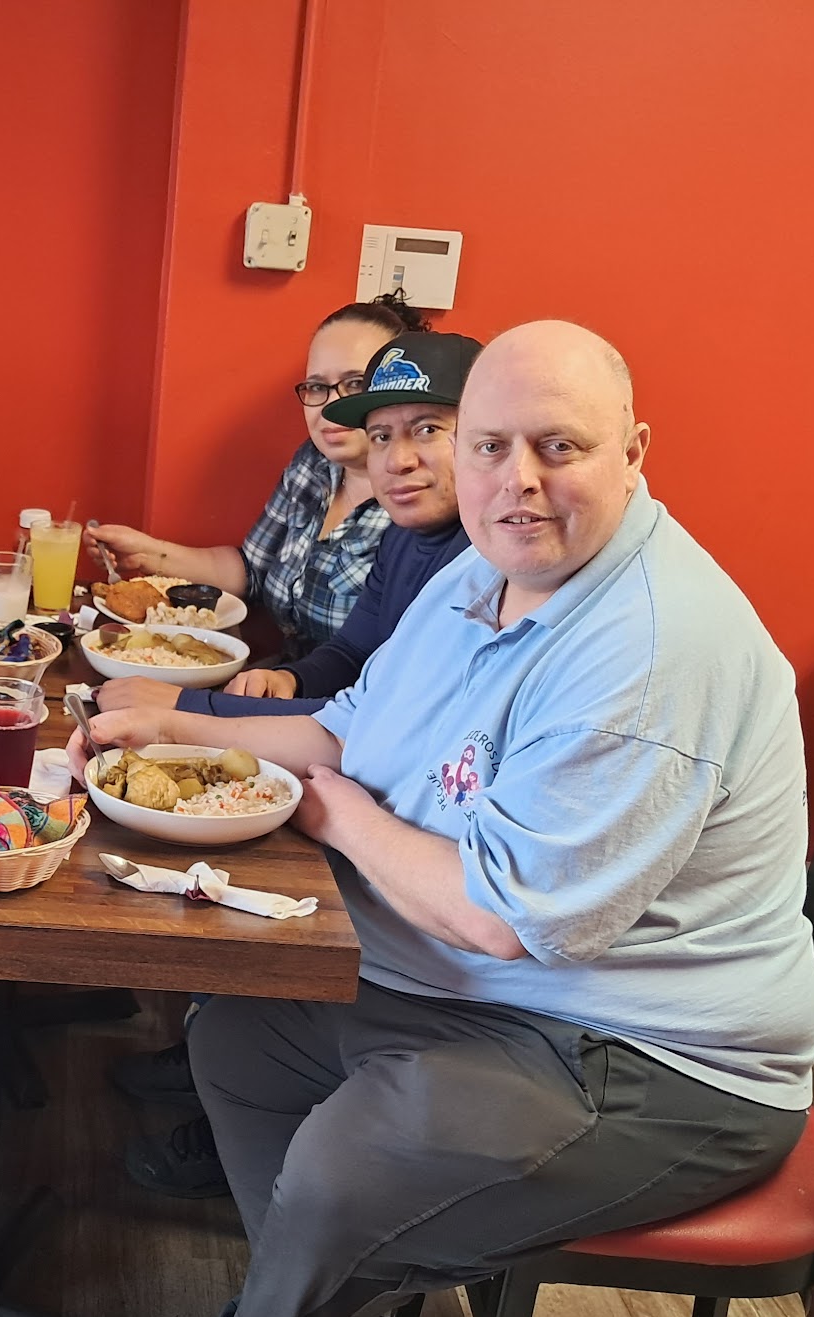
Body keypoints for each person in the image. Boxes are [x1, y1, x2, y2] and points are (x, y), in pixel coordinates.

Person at [78, 321, 814, 1317]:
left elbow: (498, 915)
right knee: (236, 1035)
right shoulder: (480, 571)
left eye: (556, 446)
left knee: (345, 1158)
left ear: (633, 452)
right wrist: (177, 723)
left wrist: (328, 812)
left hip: (655, 1058)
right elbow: (346, 731)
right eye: (489, 446)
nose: (513, 480)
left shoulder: (646, 648)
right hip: (497, 994)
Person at [103, 331, 481, 1202]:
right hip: (349, 755)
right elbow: (349, 662)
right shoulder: (408, 540)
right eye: (382, 435)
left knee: (234, 841)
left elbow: (363, 727)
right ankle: (219, 1057)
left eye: (429, 430)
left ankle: (244, 1095)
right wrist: (267, 685)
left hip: (415, 845)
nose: (399, 458)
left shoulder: (481, 565)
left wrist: (187, 712)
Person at [86, 296, 426, 658]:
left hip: (347, 704)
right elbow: (251, 570)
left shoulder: (417, 500)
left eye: (355, 384)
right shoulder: (312, 465)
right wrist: (149, 554)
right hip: (282, 682)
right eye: (316, 386)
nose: (330, 406)